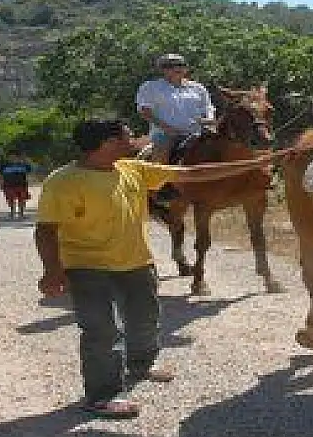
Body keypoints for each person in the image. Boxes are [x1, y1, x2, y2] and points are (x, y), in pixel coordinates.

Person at [35, 119, 286, 419]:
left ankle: (142, 365)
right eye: (129, 137)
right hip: (87, 267)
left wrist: (260, 162)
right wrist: (52, 270)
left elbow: (194, 172)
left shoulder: (133, 169)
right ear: (107, 144)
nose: (137, 142)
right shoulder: (63, 182)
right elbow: (46, 230)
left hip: (137, 262)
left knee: (145, 320)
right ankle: (102, 396)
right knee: (101, 332)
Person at [134, 53, 216, 165]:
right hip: (165, 134)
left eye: (181, 65)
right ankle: (159, 181)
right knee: (161, 161)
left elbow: (208, 107)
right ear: (163, 70)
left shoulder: (198, 88)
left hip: (196, 133)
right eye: (170, 66)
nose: (177, 68)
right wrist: (167, 128)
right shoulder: (150, 87)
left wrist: (210, 120)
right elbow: (145, 111)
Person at [0, 152, 33, 219]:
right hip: (8, 185)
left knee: (22, 200)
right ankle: (12, 213)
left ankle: (21, 213)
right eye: (11, 157)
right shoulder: (4, 166)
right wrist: (0, 183)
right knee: (10, 200)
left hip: (21, 185)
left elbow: (29, 171)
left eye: (14, 157)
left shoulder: (23, 165)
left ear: (17, 158)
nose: (12, 158)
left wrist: (25, 160)